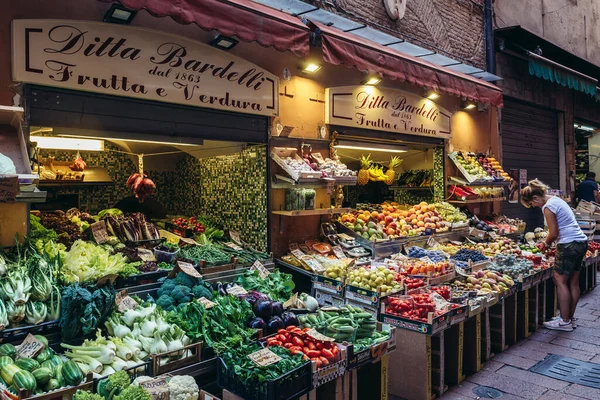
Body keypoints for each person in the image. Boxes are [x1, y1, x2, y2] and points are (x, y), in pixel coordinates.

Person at [521, 179, 588, 331]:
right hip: (580, 241)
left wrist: (544, 245)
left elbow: (553, 233)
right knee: (573, 282)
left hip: (568, 244)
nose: (534, 206)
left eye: (532, 204)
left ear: (536, 198)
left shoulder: (548, 207)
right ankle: (569, 318)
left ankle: (564, 321)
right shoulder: (556, 200)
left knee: (560, 280)